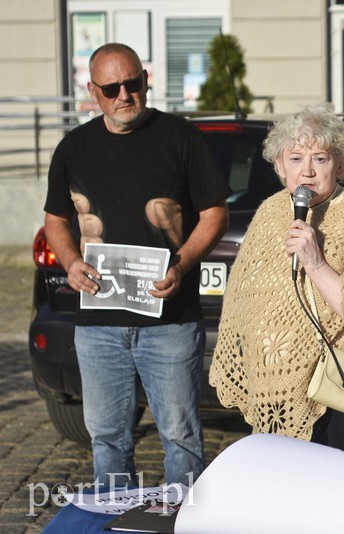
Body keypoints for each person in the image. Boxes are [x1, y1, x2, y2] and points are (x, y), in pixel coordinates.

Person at [43, 43, 231, 489]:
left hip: (170, 320)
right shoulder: (73, 148)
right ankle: (116, 518)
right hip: (97, 324)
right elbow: (54, 219)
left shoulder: (181, 138)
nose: (124, 94)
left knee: (181, 437)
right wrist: (70, 262)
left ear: (146, 80)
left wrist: (182, 264)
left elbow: (215, 214)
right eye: (111, 88)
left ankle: (183, 519)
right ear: (93, 91)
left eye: (133, 83)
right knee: (107, 438)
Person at [210, 103, 344, 464]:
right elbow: (245, 300)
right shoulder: (270, 212)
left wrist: (315, 262)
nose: (306, 171)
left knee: (340, 505)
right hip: (280, 386)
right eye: (295, 158)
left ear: (340, 164)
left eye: (319, 158)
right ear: (278, 166)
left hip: (343, 387)